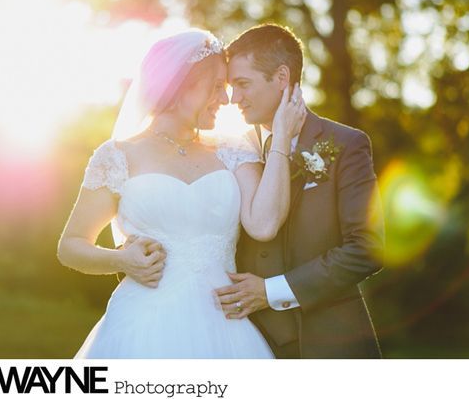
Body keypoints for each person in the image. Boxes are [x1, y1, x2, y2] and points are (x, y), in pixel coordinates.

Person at [57, 29, 306, 357]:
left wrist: (283, 138)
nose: (226, 99)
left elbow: (264, 224)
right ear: (179, 86)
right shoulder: (117, 156)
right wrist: (122, 259)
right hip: (143, 327)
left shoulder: (233, 149)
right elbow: (70, 246)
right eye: (217, 87)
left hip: (227, 331)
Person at [216, 23, 385, 358]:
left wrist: (271, 291)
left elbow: (367, 247)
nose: (235, 98)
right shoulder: (226, 152)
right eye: (231, 86)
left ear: (281, 77)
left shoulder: (345, 144)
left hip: (329, 344)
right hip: (247, 342)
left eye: (243, 84)